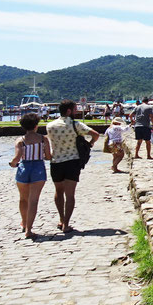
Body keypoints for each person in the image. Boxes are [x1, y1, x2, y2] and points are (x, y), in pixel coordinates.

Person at [46, 99, 100, 233]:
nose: (77, 111)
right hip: (72, 161)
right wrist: (90, 143)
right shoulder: (76, 125)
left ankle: (61, 219)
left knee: (58, 192)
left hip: (56, 162)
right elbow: (96, 134)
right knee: (70, 195)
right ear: (69, 111)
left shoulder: (50, 126)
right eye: (75, 109)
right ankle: (66, 224)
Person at [9, 113, 52, 239]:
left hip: (24, 168)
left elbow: (16, 159)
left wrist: (12, 164)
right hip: (38, 168)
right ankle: (29, 229)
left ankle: (24, 223)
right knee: (33, 200)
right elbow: (48, 157)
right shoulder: (43, 139)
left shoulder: (20, 141)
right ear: (36, 126)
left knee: (23, 198)